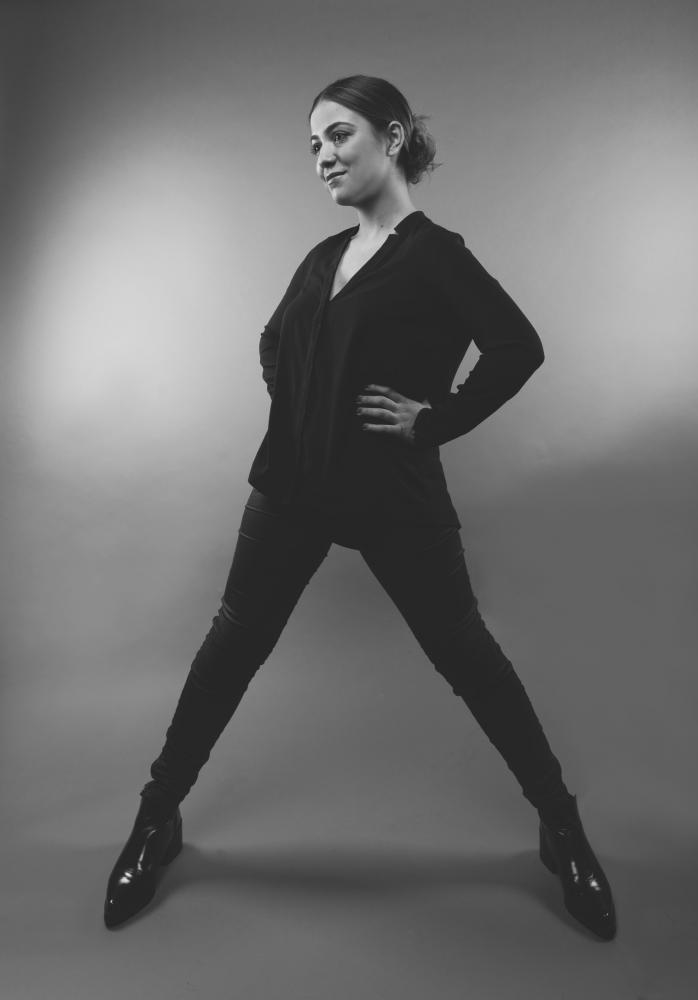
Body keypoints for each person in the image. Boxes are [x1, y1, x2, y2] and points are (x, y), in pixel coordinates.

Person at [103, 74, 617, 940]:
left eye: (338, 135)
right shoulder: (321, 256)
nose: (323, 157)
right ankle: (157, 819)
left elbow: (516, 346)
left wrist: (433, 420)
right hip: (290, 491)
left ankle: (560, 827)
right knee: (230, 649)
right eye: (312, 145)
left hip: (391, 495)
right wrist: (300, 411)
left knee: (468, 657)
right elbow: (274, 341)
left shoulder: (437, 255)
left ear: (393, 134)